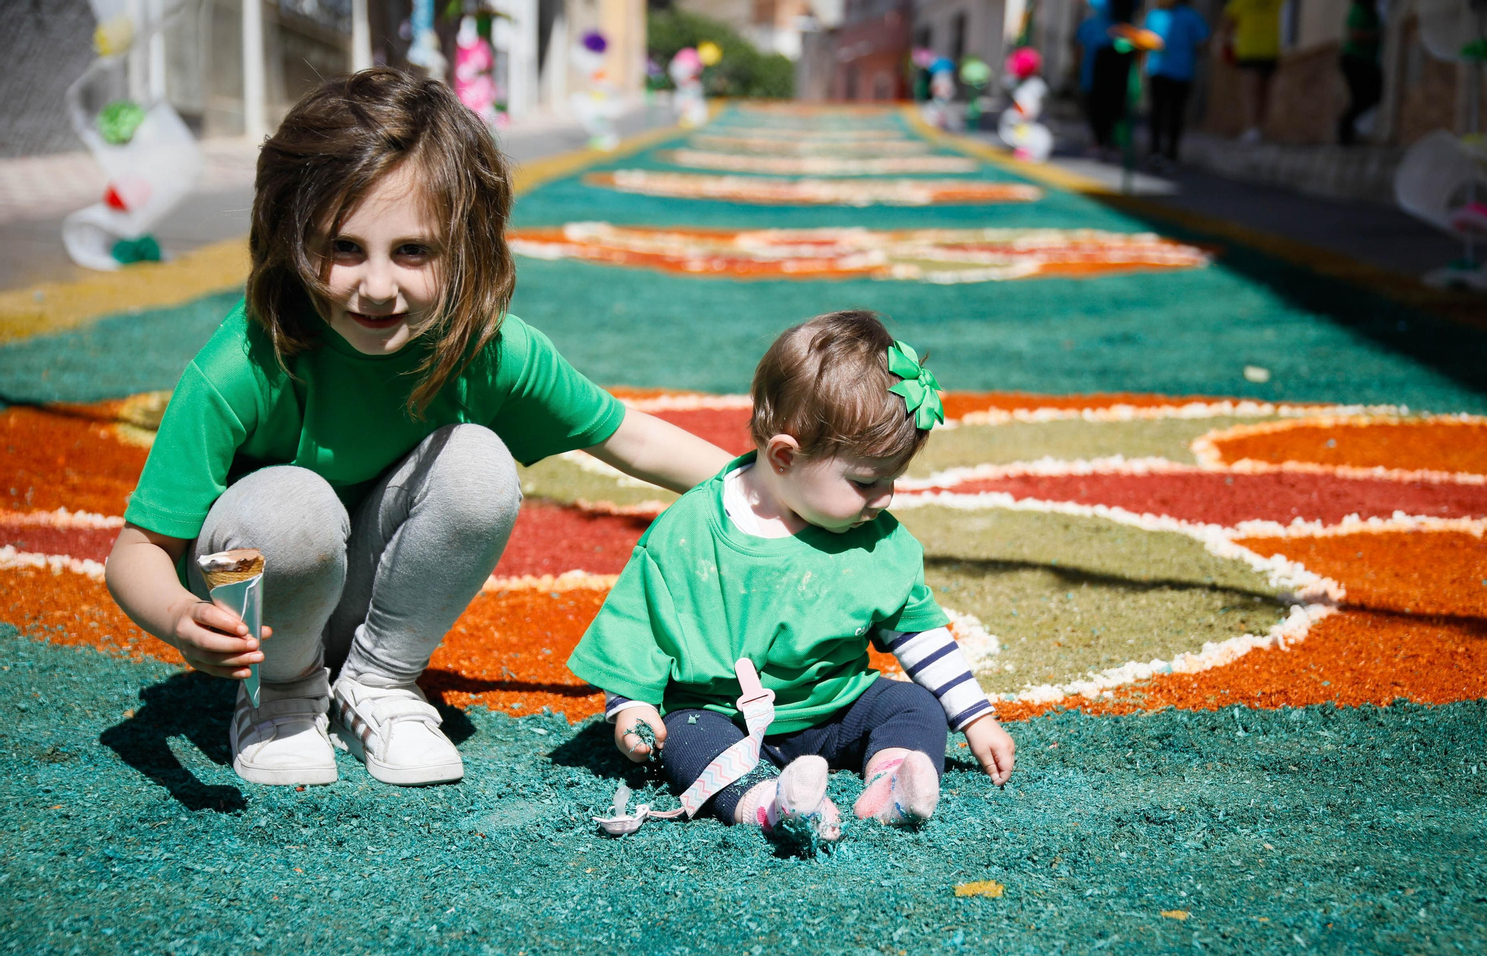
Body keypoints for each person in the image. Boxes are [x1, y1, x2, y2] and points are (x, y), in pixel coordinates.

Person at [103, 69, 731, 789]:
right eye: (344, 248)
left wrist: (770, 491)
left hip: (374, 611)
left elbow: (632, 439)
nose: (376, 286)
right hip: (267, 611)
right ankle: (280, 699)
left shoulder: (489, 349)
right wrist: (184, 619)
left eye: (412, 251)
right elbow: (137, 554)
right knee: (292, 504)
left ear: (465, 247)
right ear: (291, 236)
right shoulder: (245, 361)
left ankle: (379, 685)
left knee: (478, 462)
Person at [567, 311, 1016, 846]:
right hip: (721, 716)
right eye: (867, 482)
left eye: (893, 480)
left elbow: (916, 632)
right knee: (684, 736)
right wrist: (632, 708)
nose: (886, 499)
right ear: (784, 455)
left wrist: (975, 717)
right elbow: (639, 630)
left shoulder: (872, 537)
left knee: (914, 705)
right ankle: (768, 803)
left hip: (836, 707)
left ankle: (892, 786)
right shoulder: (688, 532)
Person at [1143, 0, 1210, 166]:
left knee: (1175, 114)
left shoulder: (1190, 16)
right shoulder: (1154, 16)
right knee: (1157, 113)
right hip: (1158, 71)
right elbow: (1144, 41)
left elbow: (1204, 41)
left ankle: (1171, 154)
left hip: (1182, 72)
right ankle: (1155, 151)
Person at [1221, 0, 1285, 143]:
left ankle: (1256, 128)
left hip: (1260, 49)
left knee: (1256, 92)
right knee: (1257, 92)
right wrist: (1226, 44)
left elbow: (1229, 23)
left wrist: (1226, 43)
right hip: (1257, 49)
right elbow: (1229, 22)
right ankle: (1255, 128)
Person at [1085, 0, 1142, 156]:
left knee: (1109, 98)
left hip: (1114, 48)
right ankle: (1106, 140)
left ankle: (1106, 140)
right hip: (1116, 48)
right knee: (1111, 97)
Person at [1338, 0, 1383, 145]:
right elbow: (1355, 34)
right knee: (1361, 98)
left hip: (1367, 61)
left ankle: (1348, 129)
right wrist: (1374, 36)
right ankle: (1345, 130)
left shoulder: (1373, 12)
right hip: (1355, 60)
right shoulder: (1359, 9)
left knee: (1373, 94)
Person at [1073, 1, 1113, 149]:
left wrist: (1076, 67)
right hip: (1096, 75)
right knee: (1099, 108)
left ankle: (1099, 140)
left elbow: (1078, 50)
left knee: (1094, 108)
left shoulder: (1092, 25)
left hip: (1094, 75)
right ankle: (1101, 139)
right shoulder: (1112, 26)